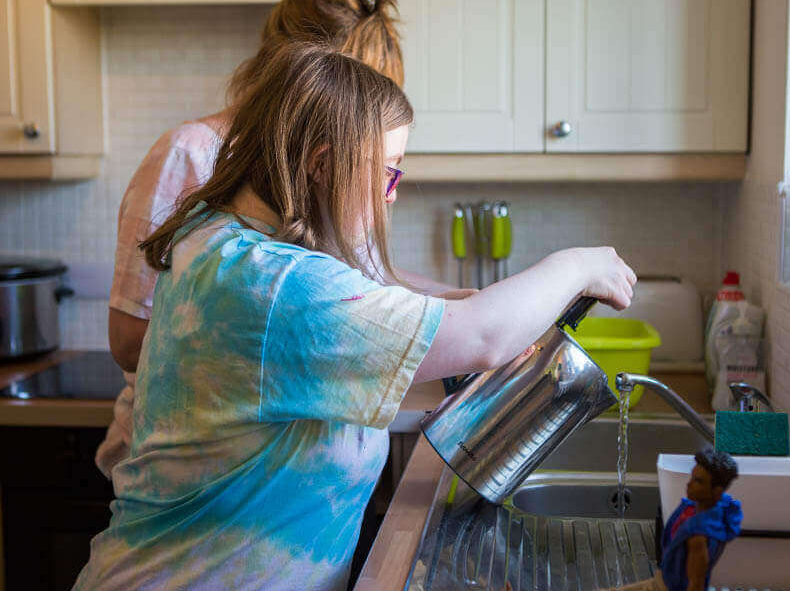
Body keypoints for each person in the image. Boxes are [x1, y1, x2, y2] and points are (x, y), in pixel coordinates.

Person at [74, 44, 636, 590]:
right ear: (322, 165)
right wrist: (579, 265)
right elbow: (483, 336)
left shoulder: (222, 239)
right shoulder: (279, 287)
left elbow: (403, 359)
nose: (391, 196)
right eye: (389, 171)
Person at [98, 0, 455, 478]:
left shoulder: (333, 175)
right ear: (302, 75)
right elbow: (127, 339)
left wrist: (454, 298)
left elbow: (361, 282)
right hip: (201, 471)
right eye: (349, 90)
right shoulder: (192, 152)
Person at [659, 448, 743, 591]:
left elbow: (696, 583)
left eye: (698, 481)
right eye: (692, 477)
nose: (689, 484)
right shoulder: (696, 508)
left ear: (717, 491)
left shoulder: (698, 536)